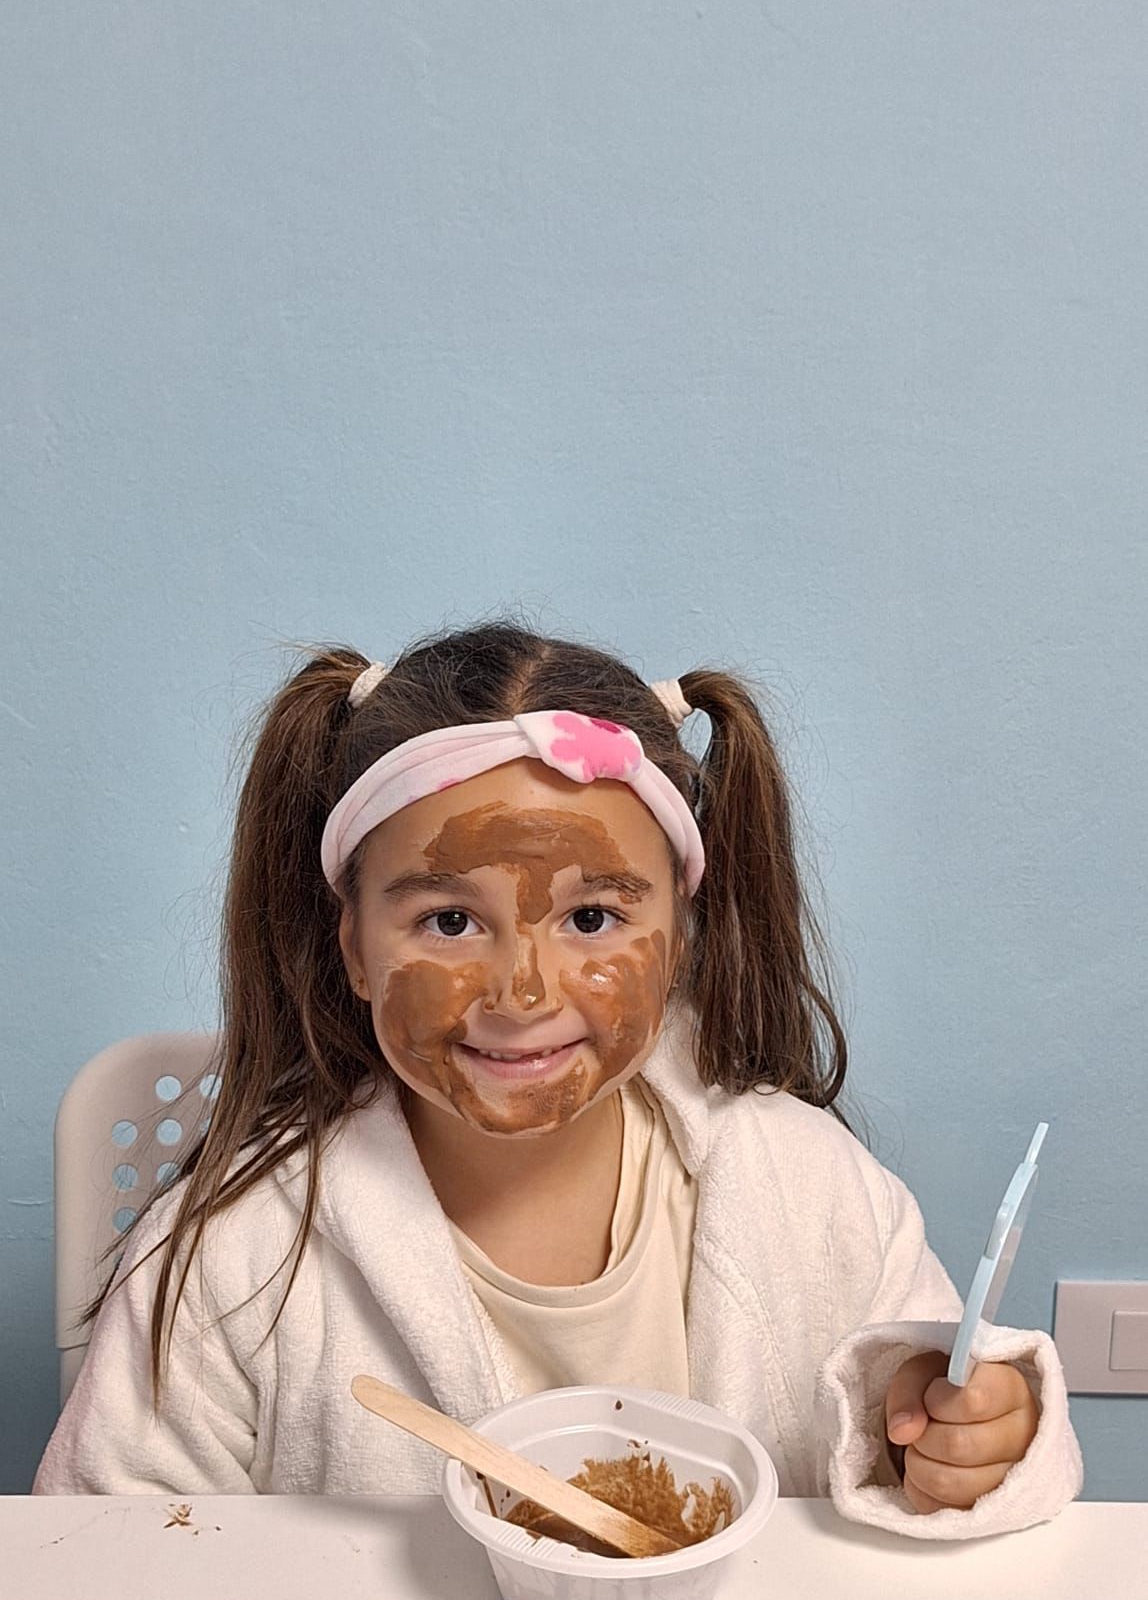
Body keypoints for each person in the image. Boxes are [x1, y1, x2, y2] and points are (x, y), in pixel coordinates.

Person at [36, 623, 1081, 1532]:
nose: (521, 992)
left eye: (592, 918)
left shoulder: (813, 1197)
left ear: (677, 937)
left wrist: (954, 1446)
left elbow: (939, 1450)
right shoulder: (234, 1258)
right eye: (448, 922)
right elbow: (105, 1568)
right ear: (352, 945)